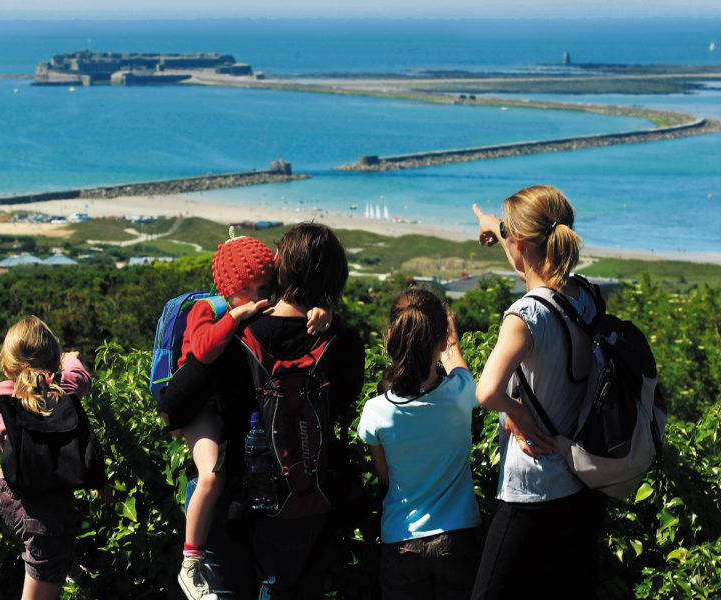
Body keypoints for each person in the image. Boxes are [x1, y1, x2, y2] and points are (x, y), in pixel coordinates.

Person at [159, 222, 364, 599]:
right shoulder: (344, 341)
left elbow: (172, 406)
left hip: (228, 498)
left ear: (279, 272)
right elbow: (343, 404)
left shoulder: (234, 334)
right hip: (302, 499)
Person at [470, 186, 606, 600]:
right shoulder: (583, 295)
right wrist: (495, 226)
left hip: (532, 490)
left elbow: (487, 391)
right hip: (581, 487)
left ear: (522, 243)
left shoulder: (523, 316)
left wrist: (519, 414)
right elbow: (539, 278)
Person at [358, 288, 482, 600]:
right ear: (442, 341)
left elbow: (385, 477)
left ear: (390, 338)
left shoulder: (377, 411)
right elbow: (458, 369)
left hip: (401, 540)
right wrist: (451, 341)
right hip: (459, 537)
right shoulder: (461, 394)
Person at [0, 316, 92, 600]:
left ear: (7, 365)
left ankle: (68, 568)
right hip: (41, 515)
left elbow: (6, 445)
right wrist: (71, 360)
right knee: (47, 552)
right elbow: (80, 378)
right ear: (55, 362)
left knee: (50, 546)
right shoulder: (64, 391)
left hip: (1, 495)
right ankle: (58, 564)